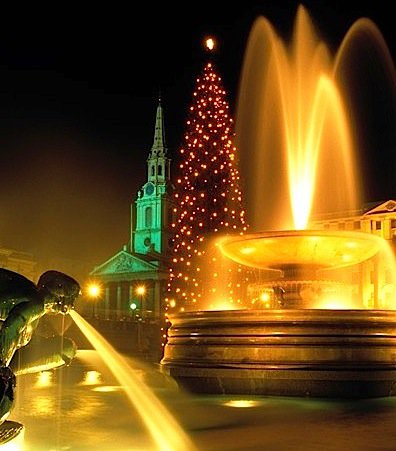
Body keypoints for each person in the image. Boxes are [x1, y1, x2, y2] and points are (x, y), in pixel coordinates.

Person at [0, 268, 80, 424]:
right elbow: (12, 326)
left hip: (7, 352)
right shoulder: (37, 302)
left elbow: (18, 334)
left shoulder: (34, 304)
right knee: (5, 380)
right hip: (3, 354)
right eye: (71, 299)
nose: (71, 306)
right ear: (60, 294)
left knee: (65, 349)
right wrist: (2, 365)